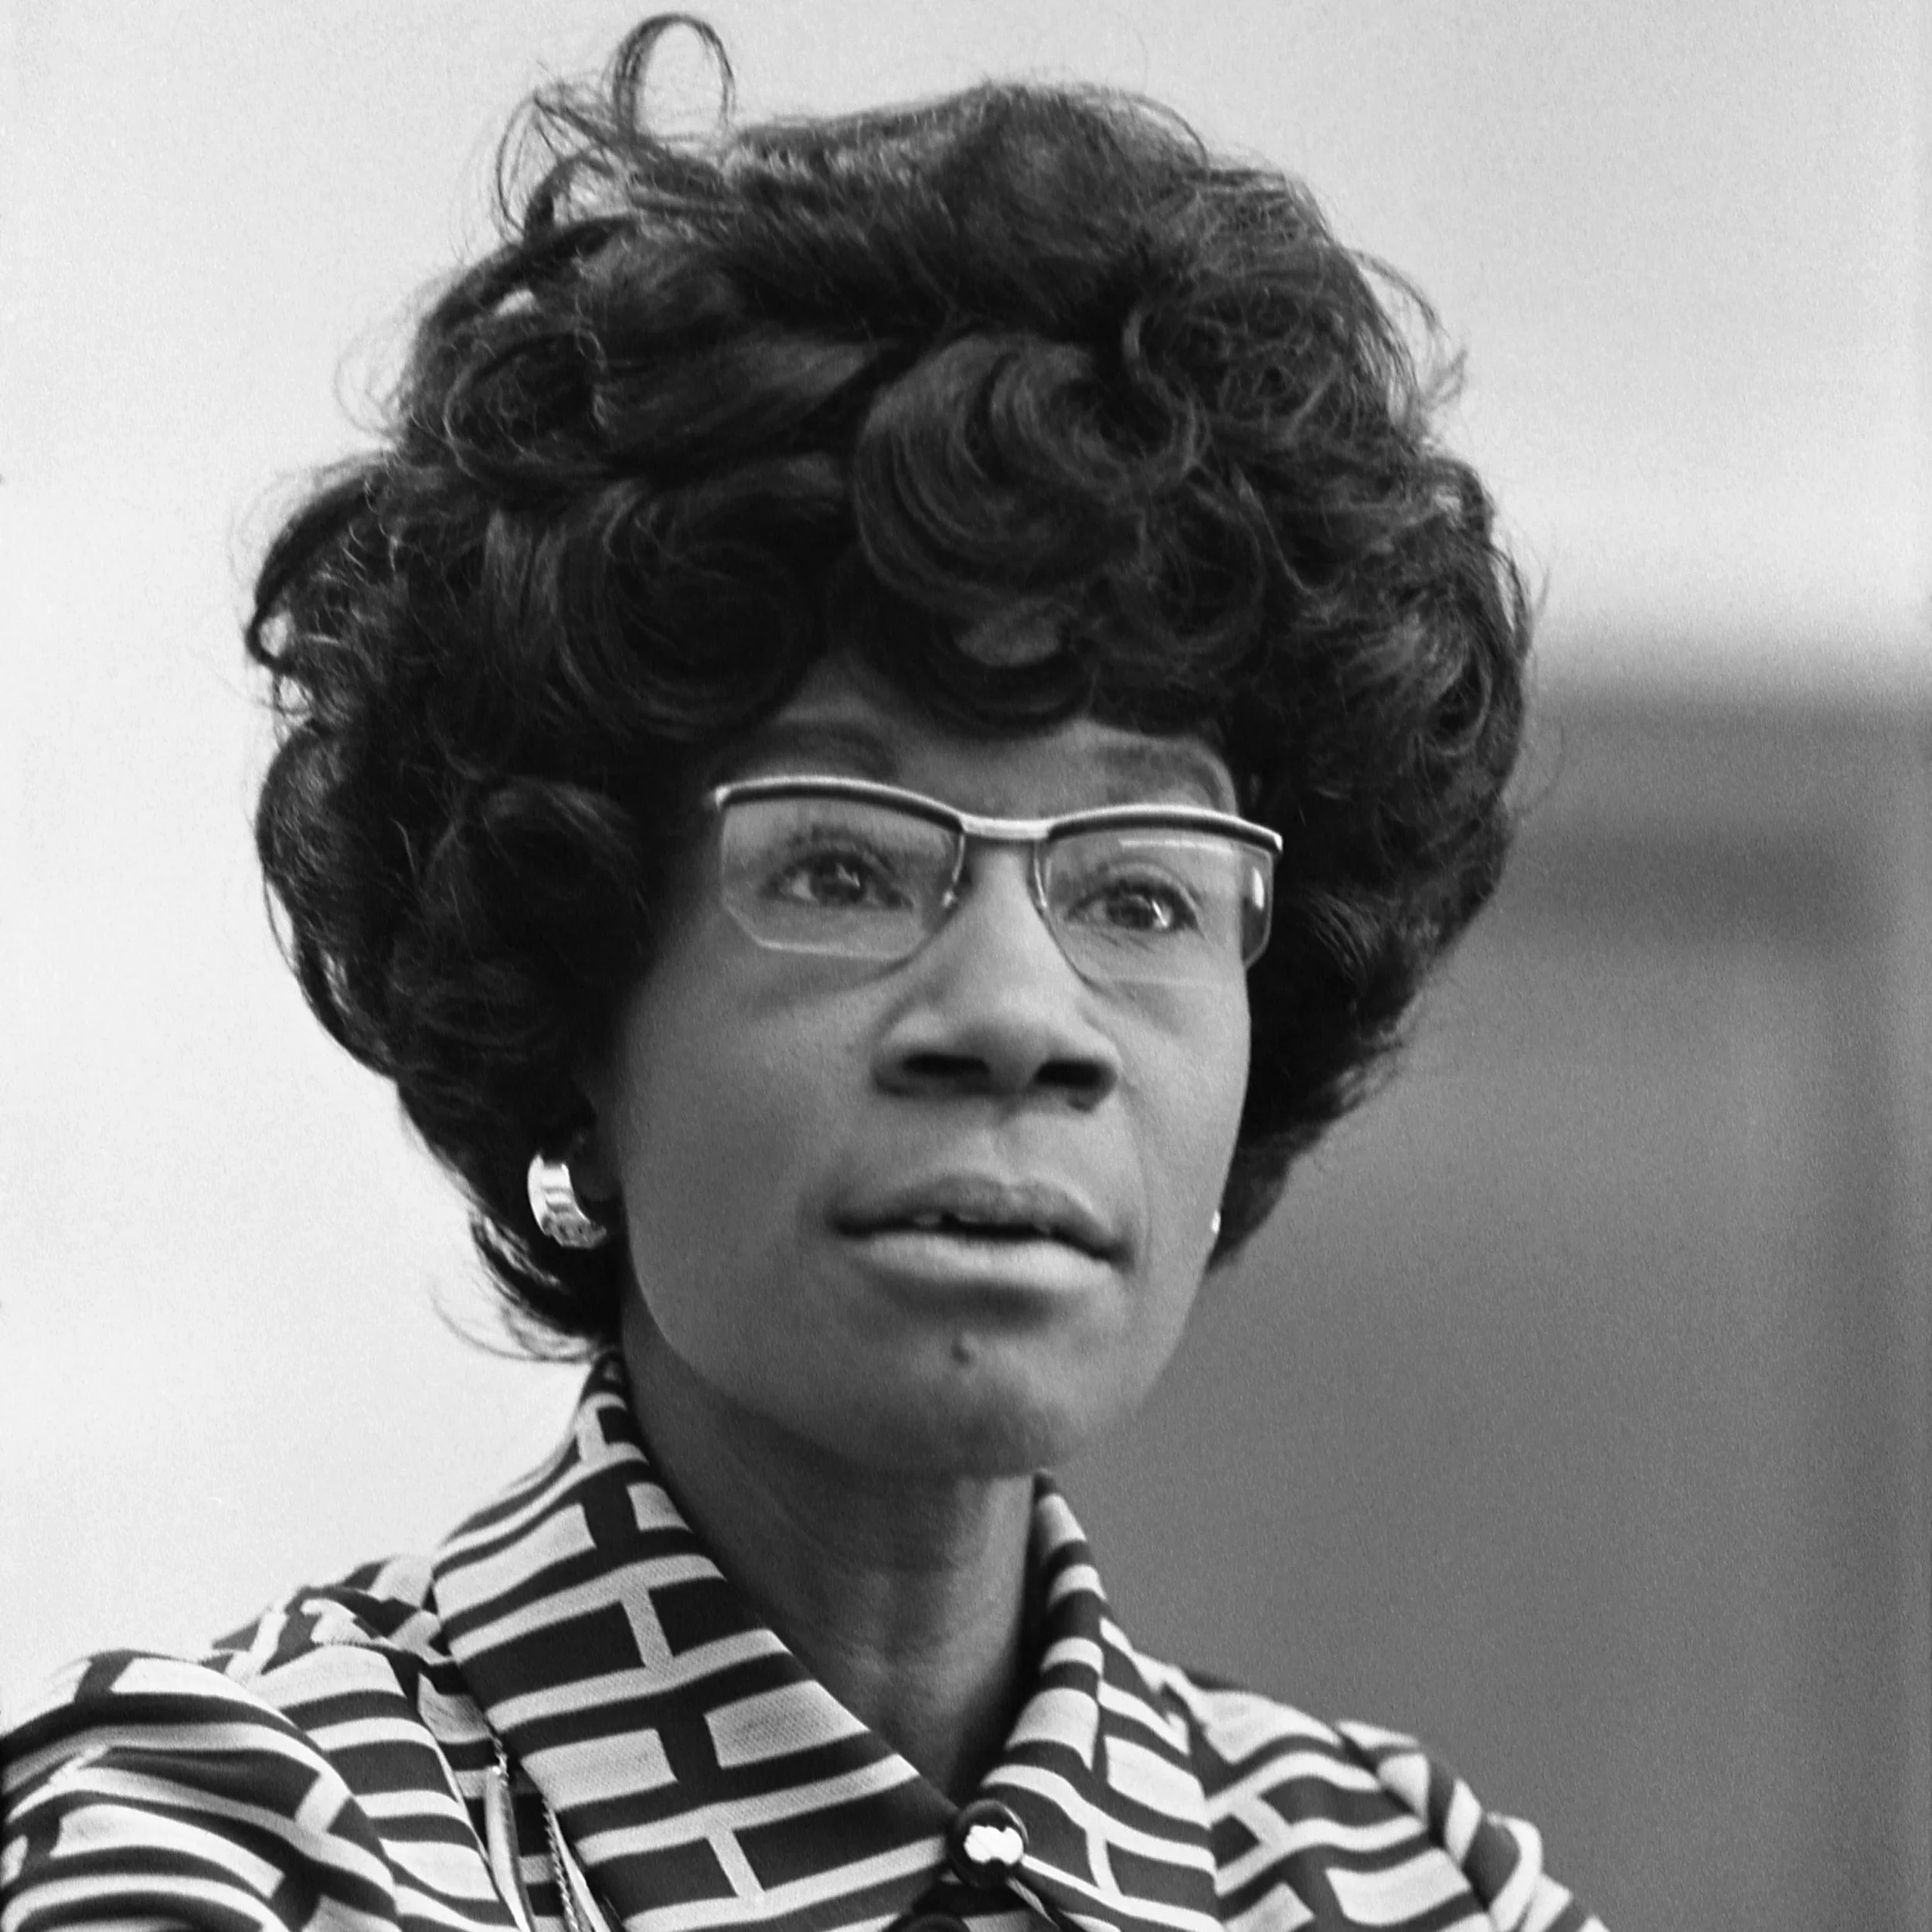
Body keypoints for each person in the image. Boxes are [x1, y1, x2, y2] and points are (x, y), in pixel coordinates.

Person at [1, 18, 1603, 1932]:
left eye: (1141, 890)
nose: (1018, 1017)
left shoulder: (1399, 1886)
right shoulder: (239, 1852)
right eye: (844, 863)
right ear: (576, 984)